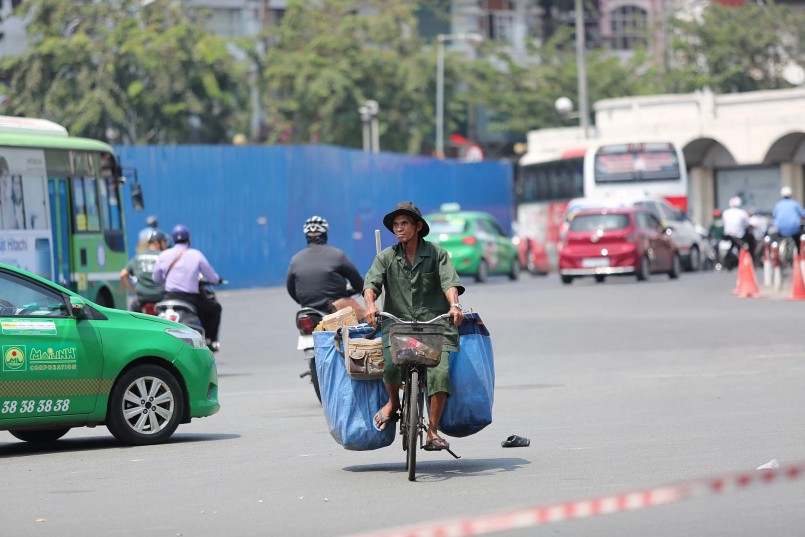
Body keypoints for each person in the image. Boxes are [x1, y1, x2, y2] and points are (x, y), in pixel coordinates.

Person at [363, 201, 465, 452]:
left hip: (434, 327)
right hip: (398, 326)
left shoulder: (437, 254)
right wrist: (370, 306)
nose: (399, 229)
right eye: (396, 225)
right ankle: (393, 403)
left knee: (439, 374)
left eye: (404, 224)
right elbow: (370, 285)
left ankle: (432, 431)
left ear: (418, 226)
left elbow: (449, 282)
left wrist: (454, 305)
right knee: (390, 366)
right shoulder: (386, 257)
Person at [152, 225, 223, 351]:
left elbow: (156, 278)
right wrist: (218, 280)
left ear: (173, 240)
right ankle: (211, 341)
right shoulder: (196, 254)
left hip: (169, 297)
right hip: (190, 299)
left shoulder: (164, 255)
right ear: (188, 239)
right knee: (215, 308)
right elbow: (211, 276)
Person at [286, 215, 365, 315]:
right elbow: (356, 281)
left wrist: (304, 302)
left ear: (307, 236)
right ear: (325, 234)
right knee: (366, 322)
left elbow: (291, 288)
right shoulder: (338, 255)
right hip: (336, 310)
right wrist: (361, 288)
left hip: (307, 310)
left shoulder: (295, 260)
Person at [120, 229, 169, 312]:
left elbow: (123, 274)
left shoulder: (138, 257)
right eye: (164, 242)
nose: (166, 245)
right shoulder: (164, 256)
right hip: (160, 298)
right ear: (157, 243)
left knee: (133, 315)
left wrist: (133, 291)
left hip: (142, 299)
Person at [722, 196, 757, 263]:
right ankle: (751, 258)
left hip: (727, 236)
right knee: (750, 241)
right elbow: (747, 223)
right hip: (739, 237)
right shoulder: (742, 213)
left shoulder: (725, 212)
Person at [772, 186, 805, 255]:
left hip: (781, 229)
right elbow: (803, 214)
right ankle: (799, 254)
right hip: (794, 229)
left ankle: (776, 253)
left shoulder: (778, 205)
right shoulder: (795, 204)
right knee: (799, 240)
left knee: (775, 239)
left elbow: (774, 216)